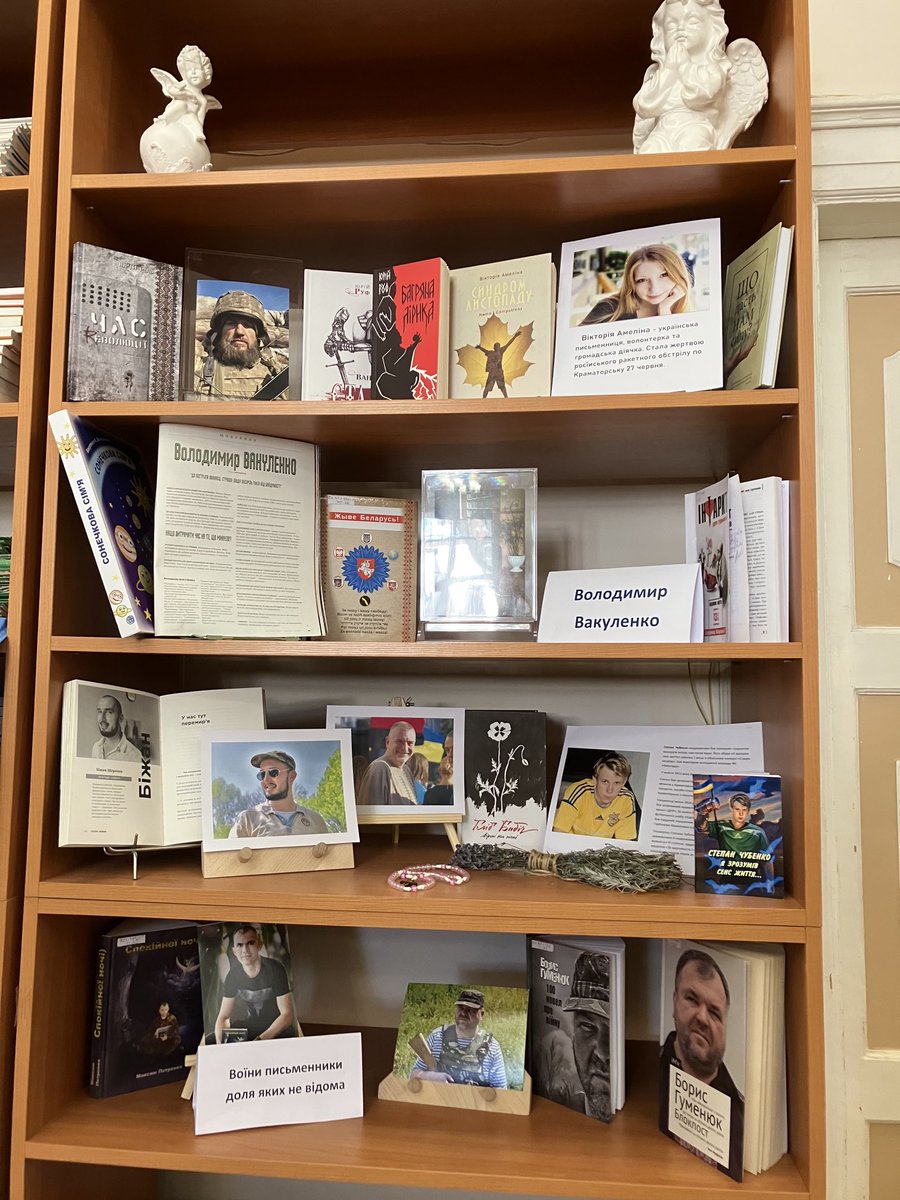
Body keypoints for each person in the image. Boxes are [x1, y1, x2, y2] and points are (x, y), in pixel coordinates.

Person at [659, 948, 744, 1176]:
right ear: (674, 1001)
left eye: (715, 1013)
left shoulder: (742, 1112)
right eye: (692, 999)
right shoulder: (651, 1082)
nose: (703, 1018)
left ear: (726, 1027)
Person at [633, 0, 730, 155]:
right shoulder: (658, 73)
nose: (680, 29)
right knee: (648, 151)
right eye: (671, 25)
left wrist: (684, 66)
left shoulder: (712, 69)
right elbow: (643, 105)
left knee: (693, 147)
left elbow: (705, 93)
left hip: (695, 125)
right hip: (662, 129)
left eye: (692, 21)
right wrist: (670, 71)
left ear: (711, 28)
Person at [194, 290, 288, 399]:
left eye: (247, 325)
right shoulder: (198, 366)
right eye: (231, 324)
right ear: (219, 333)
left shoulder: (280, 375)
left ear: (258, 335)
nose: (239, 331)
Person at [213, 924, 296, 1043]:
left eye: (250, 943)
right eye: (239, 945)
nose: (245, 950)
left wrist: (260, 1040)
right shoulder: (232, 976)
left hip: (275, 1026)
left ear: (259, 945)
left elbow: (287, 1015)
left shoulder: (276, 969)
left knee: (289, 1036)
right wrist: (220, 1045)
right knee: (211, 1038)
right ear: (234, 951)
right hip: (250, 1026)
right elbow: (223, 1017)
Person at [410, 988, 507, 1089]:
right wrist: (430, 1076)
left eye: (470, 1010)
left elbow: (501, 1089)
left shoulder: (492, 1046)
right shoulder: (437, 1037)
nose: (463, 1013)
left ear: (481, 1014)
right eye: (460, 1008)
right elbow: (413, 1074)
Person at [580, 244, 693, 324]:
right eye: (642, 280)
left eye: (663, 275)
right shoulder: (609, 308)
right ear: (632, 283)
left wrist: (664, 309)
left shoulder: (688, 311)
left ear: (679, 274)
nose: (654, 289)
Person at [229, 750, 329, 837]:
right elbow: (231, 857)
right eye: (262, 774)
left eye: (273, 772)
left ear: (291, 776)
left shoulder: (316, 820)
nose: (266, 780)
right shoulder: (246, 820)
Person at [552, 751, 638, 840]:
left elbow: (625, 843)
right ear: (595, 780)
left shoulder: (626, 799)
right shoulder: (579, 792)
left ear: (623, 783)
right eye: (605, 782)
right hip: (571, 844)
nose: (610, 790)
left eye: (617, 783)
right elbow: (558, 835)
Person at [356, 722, 418, 806]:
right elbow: (372, 815)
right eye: (400, 742)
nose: (405, 748)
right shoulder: (379, 768)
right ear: (387, 742)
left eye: (410, 743)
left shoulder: (406, 770)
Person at [91, 693, 142, 762]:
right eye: (100, 711)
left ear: (120, 718)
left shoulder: (135, 756)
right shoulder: (96, 747)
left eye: (109, 712)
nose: (102, 718)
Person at [475, 329, 521, 398]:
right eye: (496, 346)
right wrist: (479, 347)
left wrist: (515, 336)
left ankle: (506, 398)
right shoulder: (490, 353)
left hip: (499, 372)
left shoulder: (501, 351)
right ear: (494, 347)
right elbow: (484, 350)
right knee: (487, 387)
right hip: (492, 372)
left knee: (502, 386)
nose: (498, 347)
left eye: (498, 346)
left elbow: (509, 344)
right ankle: (483, 399)